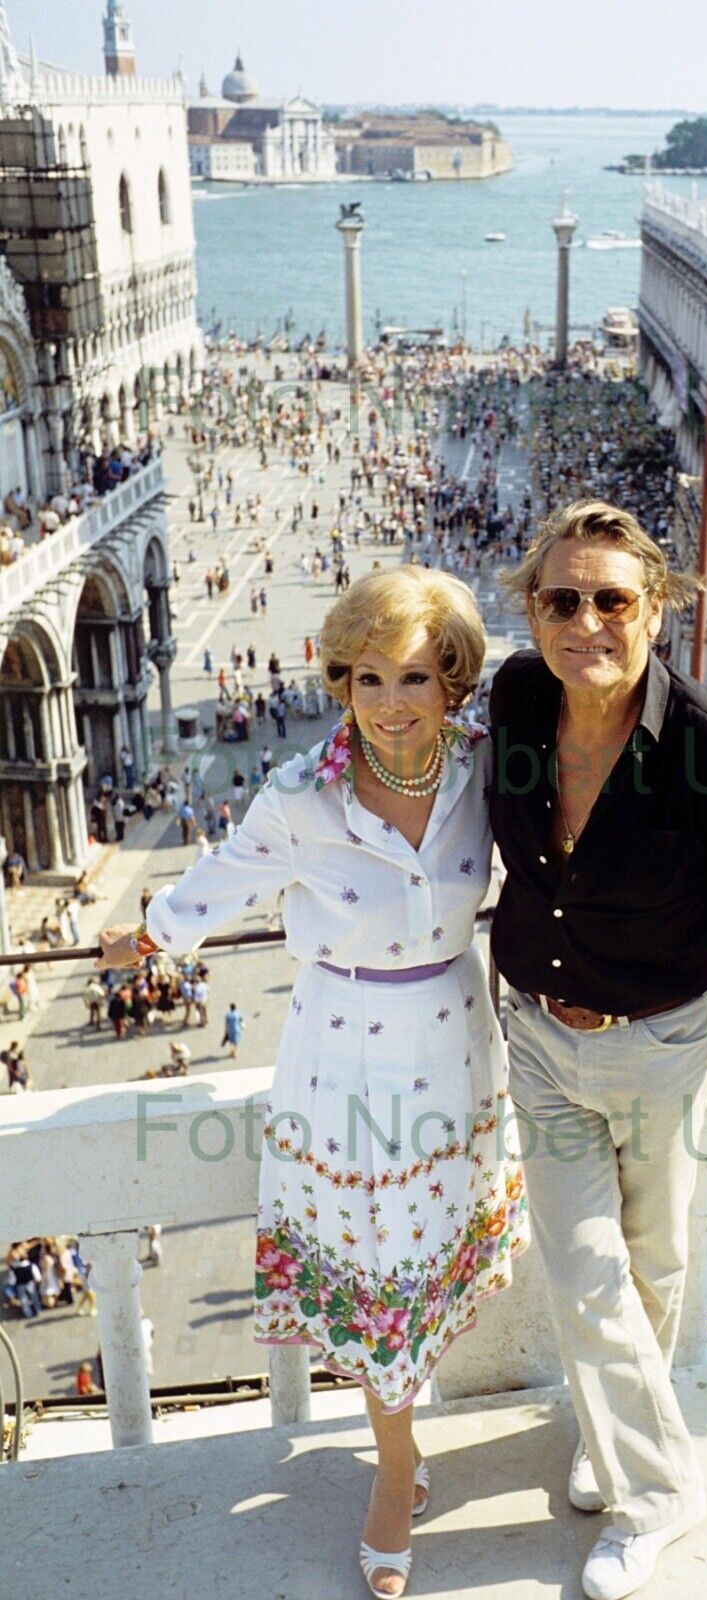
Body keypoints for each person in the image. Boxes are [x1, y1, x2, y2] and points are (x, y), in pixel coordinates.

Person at [98, 565, 530, 1600]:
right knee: (379, 1266)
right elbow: (221, 884)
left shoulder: (484, 770)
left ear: (455, 682)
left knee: (429, 1261)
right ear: (340, 681)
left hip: (459, 1049)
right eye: (367, 677)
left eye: (415, 678)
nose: (389, 703)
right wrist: (146, 934)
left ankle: (405, 1450)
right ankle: (392, 1468)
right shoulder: (300, 795)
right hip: (345, 1059)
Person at [489, 501, 707, 1600]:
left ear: (657, 610)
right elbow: (406, 742)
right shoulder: (513, 700)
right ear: (533, 609)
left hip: (658, 1046)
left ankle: (612, 1437)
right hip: (539, 1036)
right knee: (587, 1268)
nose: (584, 619)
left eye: (610, 599)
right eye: (560, 598)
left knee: (654, 1259)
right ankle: (659, 1493)